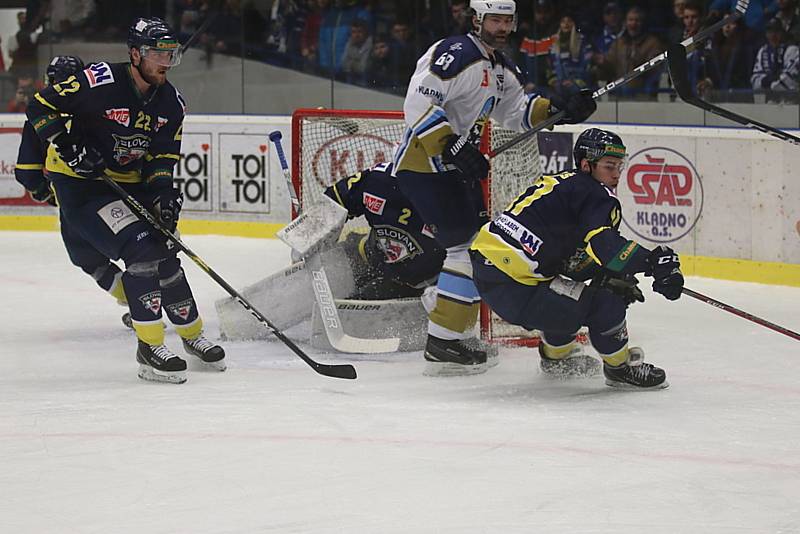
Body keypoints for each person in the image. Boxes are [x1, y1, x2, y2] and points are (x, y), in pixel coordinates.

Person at [391, 0, 597, 376]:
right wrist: (449, 144)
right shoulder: (457, 53)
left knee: (476, 246)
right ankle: (443, 339)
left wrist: (561, 108)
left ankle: (443, 322)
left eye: (507, 20)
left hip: (454, 169)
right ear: (477, 19)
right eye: (495, 20)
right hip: (424, 165)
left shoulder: (500, 66)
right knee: (467, 249)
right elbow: (418, 101)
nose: (502, 27)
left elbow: (517, 111)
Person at [25, 17, 225, 384]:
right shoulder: (98, 80)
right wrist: (69, 147)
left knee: (166, 250)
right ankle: (148, 349)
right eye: (156, 53)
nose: (165, 62)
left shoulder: (172, 104)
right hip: (84, 187)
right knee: (142, 252)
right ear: (135, 54)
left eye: (170, 54)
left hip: (132, 186)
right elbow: (39, 105)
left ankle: (191, 335)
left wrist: (164, 196)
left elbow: (162, 158)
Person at [469, 128, 684, 389]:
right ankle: (620, 368)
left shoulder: (564, 184)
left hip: (489, 271)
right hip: (517, 286)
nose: (616, 174)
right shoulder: (595, 194)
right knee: (606, 301)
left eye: (619, 166)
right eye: (608, 166)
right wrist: (654, 262)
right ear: (586, 164)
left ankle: (556, 358)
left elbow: (572, 260)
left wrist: (610, 272)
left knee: (573, 295)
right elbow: (606, 248)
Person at [15, 56, 134, 321]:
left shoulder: (41, 115)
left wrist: (45, 192)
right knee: (139, 247)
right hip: (119, 191)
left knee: (87, 257)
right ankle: (155, 296)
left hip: (76, 199)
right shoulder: (99, 109)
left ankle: (139, 302)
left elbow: (27, 171)